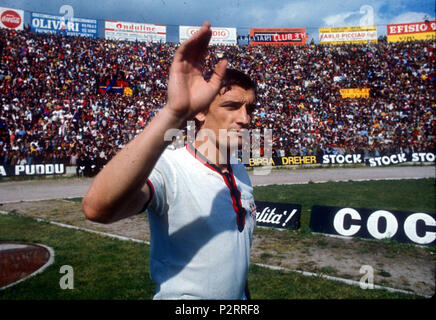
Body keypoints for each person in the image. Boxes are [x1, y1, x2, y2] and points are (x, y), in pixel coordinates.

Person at [82, 21, 258, 300]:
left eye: (249, 108)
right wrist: (174, 114)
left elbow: (236, 257)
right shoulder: (170, 168)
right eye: (232, 106)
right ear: (200, 112)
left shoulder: (239, 170)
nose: (245, 119)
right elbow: (97, 208)